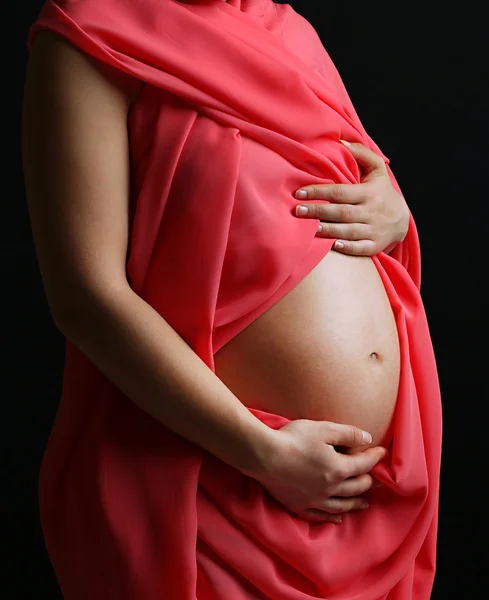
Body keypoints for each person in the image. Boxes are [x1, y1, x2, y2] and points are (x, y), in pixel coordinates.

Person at [22, 1, 442, 598]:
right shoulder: (90, 29)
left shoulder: (288, 28)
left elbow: (358, 179)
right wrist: (264, 455)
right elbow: (86, 296)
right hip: (204, 488)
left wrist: (394, 212)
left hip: (358, 502)